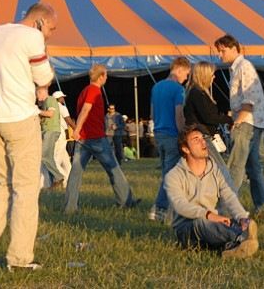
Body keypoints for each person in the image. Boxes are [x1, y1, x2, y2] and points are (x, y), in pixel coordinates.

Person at [0, 2, 57, 271]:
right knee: (26, 189)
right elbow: (44, 77)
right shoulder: (32, 36)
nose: (50, 33)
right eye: (51, 28)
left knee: (1, 185)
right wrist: (43, 53)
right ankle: (19, 259)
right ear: (39, 22)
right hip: (19, 119)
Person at [165, 125, 259, 258]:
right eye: (196, 140)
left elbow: (230, 197)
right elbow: (180, 205)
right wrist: (208, 215)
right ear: (185, 149)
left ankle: (231, 249)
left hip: (216, 224)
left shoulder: (219, 171)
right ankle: (241, 238)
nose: (203, 142)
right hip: (187, 228)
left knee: (232, 223)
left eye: (203, 138)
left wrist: (242, 217)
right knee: (201, 223)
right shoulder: (174, 175)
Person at [64, 64, 139, 213]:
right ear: (100, 77)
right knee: (114, 168)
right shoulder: (94, 90)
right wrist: (77, 129)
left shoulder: (84, 91)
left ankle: (70, 208)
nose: (107, 78)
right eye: (105, 75)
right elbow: (86, 109)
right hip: (95, 137)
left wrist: (78, 132)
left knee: (75, 174)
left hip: (83, 140)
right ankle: (125, 202)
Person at [215, 34, 264, 218]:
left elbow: (249, 99)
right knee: (253, 167)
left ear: (234, 48)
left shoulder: (243, 67)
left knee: (235, 166)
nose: (220, 55)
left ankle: (228, 208)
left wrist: (237, 121)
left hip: (247, 121)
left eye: (222, 50)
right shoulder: (238, 68)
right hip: (252, 121)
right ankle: (263, 208)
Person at [149, 56, 191, 222]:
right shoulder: (177, 89)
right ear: (179, 69)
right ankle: (159, 207)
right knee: (170, 174)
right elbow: (179, 114)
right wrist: (183, 133)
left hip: (159, 133)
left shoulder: (156, 87)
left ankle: (173, 207)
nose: (186, 78)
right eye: (186, 73)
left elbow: (152, 114)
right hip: (172, 134)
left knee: (169, 170)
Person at [183, 61, 233, 171]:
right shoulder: (197, 93)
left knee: (208, 169)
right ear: (204, 75)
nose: (214, 77)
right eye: (212, 74)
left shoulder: (196, 92)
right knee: (221, 169)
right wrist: (229, 119)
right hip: (203, 135)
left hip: (202, 133)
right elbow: (208, 117)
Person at [36, 86, 64, 189]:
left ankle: (58, 176)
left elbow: (50, 114)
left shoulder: (50, 99)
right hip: (47, 131)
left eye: (36, 93)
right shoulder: (45, 103)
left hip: (50, 131)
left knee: (42, 155)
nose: (36, 96)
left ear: (41, 92)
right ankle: (55, 183)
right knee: (49, 157)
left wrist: (37, 111)